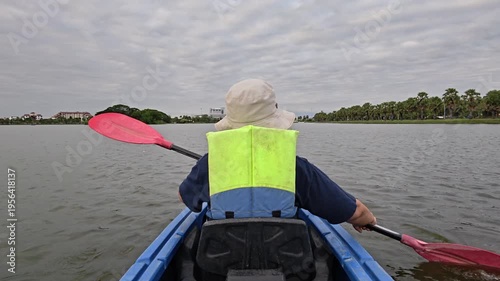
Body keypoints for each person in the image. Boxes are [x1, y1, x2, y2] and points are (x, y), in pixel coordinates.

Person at [179, 78, 376, 232]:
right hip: (288, 267)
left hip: (218, 265)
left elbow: (184, 196)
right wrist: (369, 220)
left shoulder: (210, 164)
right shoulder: (296, 167)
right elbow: (356, 212)